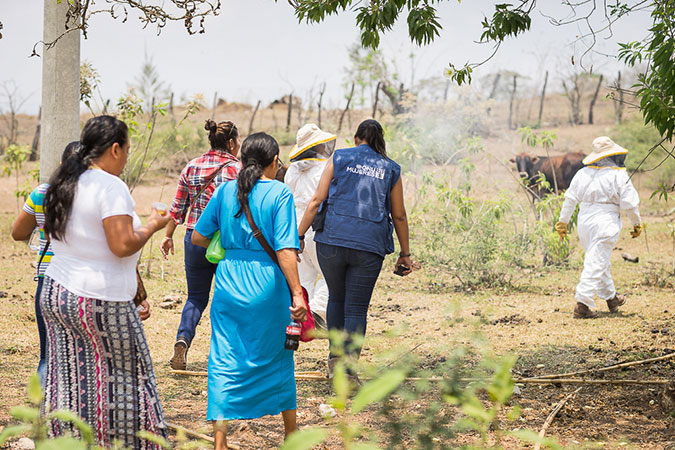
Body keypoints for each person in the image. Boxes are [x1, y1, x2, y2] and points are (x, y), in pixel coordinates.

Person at [41, 115, 171, 449]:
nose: (126, 158)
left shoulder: (64, 182)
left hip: (57, 294)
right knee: (132, 381)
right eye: (126, 150)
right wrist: (154, 225)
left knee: (70, 379)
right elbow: (122, 244)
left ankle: (68, 442)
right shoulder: (109, 186)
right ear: (115, 149)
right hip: (99, 301)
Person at [191, 132, 307, 450]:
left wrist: (227, 244)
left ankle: (219, 441)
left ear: (242, 160)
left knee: (224, 359)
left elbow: (198, 238)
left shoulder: (226, 190)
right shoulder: (279, 193)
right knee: (277, 358)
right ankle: (291, 435)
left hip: (228, 282)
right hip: (268, 285)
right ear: (274, 163)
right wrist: (297, 293)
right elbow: (285, 249)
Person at [297, 119, 412, 378]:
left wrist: (300, 234)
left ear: (357, 139)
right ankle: (349, 371)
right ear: (380, 141)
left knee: (336, 298)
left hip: (331, 241)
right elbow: (400, 215)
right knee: (357, 308)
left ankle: (335, 361)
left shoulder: (339, 158)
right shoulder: (391, 169)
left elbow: (316, 200)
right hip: (369, 246)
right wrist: (405, 254)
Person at [160, 119, 241, 370]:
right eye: (237, 141)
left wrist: (167, 235)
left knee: (195, 297)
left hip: (194, 238)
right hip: (226, 242)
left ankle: (183, 339)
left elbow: (178, 207)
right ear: (230, 142)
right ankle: (228, 355)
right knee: (230, 298)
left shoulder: (192, 166)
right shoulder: (239, 170)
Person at [11, 141, 79, 383]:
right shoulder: (91, 197)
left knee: (47, 356)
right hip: (82, 284)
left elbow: (18, 232)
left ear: (61, 165)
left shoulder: (42, 193)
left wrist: (40, 229)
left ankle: (43, 414)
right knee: (81, 358)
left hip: (47, 280)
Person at [555, 136, 642, 319]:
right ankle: (582, 304)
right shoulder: (619, 175)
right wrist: (636, 223)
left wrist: (563, 221)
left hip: (584, 221)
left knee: (598, 259)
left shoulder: (582, 173)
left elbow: (570, 199)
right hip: (606, 220)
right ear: (614, 155)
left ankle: (611, 299)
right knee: (595, 261)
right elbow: (629, 203)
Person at [284, 123, 337, 329]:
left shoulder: (292, 172)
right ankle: (315, 314)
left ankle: (301, 321)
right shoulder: (325, 169)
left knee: (303, 277)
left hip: (293, 230)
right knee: (329, 275)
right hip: (316, 228)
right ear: (319, 146)